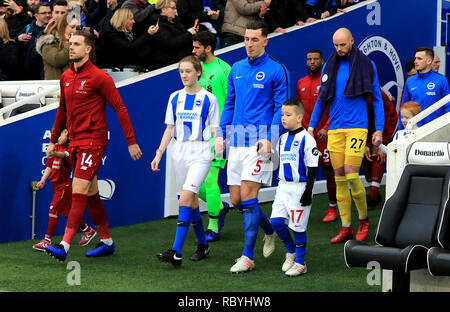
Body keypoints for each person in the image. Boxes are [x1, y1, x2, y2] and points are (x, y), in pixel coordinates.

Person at [45, 30, 143, 262]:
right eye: (71, 43)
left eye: (77, 44)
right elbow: (62, 110)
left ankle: (64, 246)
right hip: (76, 142)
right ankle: (107, 241)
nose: (71, 47)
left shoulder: (100, 77)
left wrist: (131, 142)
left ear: (88, 49)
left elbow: (120, 108)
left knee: (77, 190)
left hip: (93, 142)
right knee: (91, 193)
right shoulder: (66, 76)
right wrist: (53, 139)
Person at [214, 21, 289, 273]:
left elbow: (280, 107)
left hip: (259, 143)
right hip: (235, 141)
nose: (249, 44)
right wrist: (222, 134)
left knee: (248, 197)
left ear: (265, 41)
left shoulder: (276, 70)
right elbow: (229, 104)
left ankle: (247, 256)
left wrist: (271, 137)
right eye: (246, 39)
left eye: (254, 39)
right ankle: (269, 230)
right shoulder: (236, 68)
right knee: (237, 200)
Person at [308, 27, 384, 244]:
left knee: (352, 174)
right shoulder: (329, 66)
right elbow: (322, 100)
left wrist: (378, 128)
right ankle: (346, 227)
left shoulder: (367, 64)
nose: (339, 49)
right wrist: (312, 127)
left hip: (357, 128)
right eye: (335, 45)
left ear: (352, 41)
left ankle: (363, 221)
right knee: (339, 176)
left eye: (343, 44)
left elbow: (377, 98)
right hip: (336, 130)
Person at [152, 56, 220, 266]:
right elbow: (170, 129)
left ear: (198, 72)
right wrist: (159, 153)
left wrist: (218, 148)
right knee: (190, 203)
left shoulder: (210, 99)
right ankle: (203, 245)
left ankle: (176, 252)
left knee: (184, 200)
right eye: (181, 71)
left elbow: (216, 130)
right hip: (179, 152)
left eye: (188, 71)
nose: (184, 75)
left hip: (200, 152)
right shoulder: (175, 97)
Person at [270, 99, 318, 277]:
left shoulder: (307, 139)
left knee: (298, 228)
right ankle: (291, 251)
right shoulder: (282, 139)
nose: (283, 118)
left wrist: (308, 190)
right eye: (282, 114)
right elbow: (278, 162)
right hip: (283, 187)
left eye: (287, 115)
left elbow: (312, 167)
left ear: (299, 117)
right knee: (275, 222)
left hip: (300, 188)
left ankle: (300, 262)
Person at [192, 30, 231, 242]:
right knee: (191, 185)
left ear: (208, 48)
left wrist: (225, 130)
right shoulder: (194, 68)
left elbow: (232, 100)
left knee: (209, 178)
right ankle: (220, 207)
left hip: (218, 131)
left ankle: (213, 226)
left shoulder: (224, 69)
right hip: (197, 134)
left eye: (197, 47)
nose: (193, 51)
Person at [32, 129, 97, 251]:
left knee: (53, 210)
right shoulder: (56, 146)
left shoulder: (70, 149)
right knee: (68, 212)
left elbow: (62, 155)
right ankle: (88, 230)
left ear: (66, 133)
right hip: (55, 186)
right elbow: (49, 166)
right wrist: (43, 180)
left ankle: (47, 240)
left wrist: (53, 153)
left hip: (64, 186)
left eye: (59, 134)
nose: (56, 137)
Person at [296, 49, 337, 223]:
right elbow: (299, 110)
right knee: (302, 171)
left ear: (322, 61)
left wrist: (326, 127)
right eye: (309, 59)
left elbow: (335, 106)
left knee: (329, 171)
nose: (312, 62)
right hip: (307, 135)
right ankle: (298, 206)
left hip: (324, 135)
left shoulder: (328, 81)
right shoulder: (301, 83)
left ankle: (333, 207)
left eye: (316, 59)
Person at [398, 47, 450, 130]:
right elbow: (404, 107)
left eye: (419, 59)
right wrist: (400, 130)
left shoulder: (441, 80)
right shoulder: (410, 81)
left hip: (434, 130)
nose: (415, 61)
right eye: (415, 58)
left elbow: (448, 107)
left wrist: (444, 129)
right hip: (414, 131)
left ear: (429, 61)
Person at [362, 89, 398, 207]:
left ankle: (374, 192)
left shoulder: (379, 94)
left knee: (378, 155)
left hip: (383, 127)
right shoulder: (352, 91)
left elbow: (391, 117)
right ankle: (375, 192)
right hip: (363, 128)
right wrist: (365, 143)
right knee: (366, 160)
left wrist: (384, 142)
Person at [151, 0, 198, 69]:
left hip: (184, 61)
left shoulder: (176, 21)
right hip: (171, 66)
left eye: (175, 8)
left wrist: (191, 32)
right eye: (173, 8)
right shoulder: (158, 26)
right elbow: (171, 43)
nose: (175, 11)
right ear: (163, 9)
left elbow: (181, 37)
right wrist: (189, 34)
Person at [36, 14, 81, 80]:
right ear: (62, 27)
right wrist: (71, 44)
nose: (75, 31)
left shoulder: (79, 43)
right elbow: (57, 60)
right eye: (72, 27)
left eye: (78, 28)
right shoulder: (49, 41)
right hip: (56, 87)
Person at [15, 2, 52, 79]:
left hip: (46, 71)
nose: (48, 15)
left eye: (49, 12)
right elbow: (15, 43)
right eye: (44, 13)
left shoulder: (54, 28)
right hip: (29, 72)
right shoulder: (29, 27)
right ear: (36, 16)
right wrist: (18, 38)